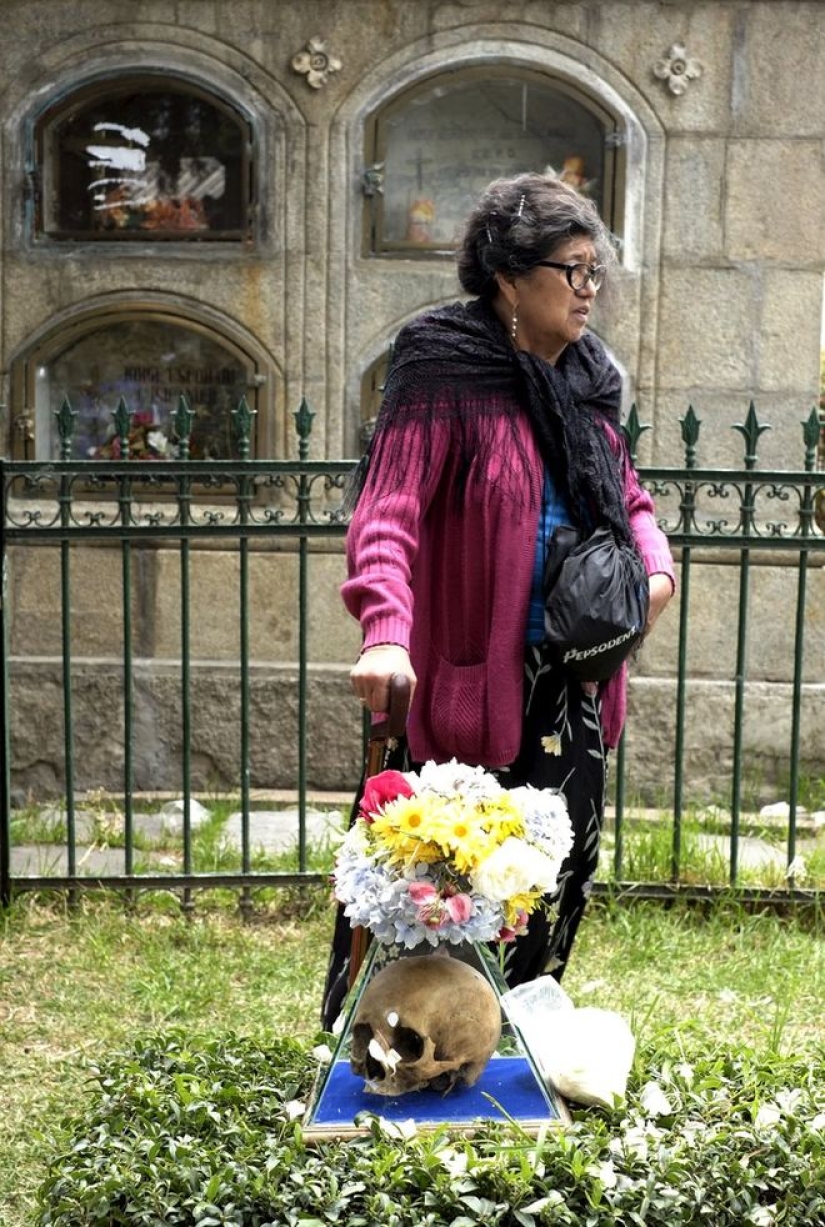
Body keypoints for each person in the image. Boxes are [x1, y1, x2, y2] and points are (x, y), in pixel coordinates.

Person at [321, 172, 675, 1029]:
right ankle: (397, 1047)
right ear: (510, 275)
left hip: (571, 679)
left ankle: (514, 1046)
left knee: (547, 882)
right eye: (573, 269)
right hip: (469, 681)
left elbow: (629, 500)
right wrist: (385, 632)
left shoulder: (585, 378)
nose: (589, 290)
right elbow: (388, 511)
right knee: (438, 890)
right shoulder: (443, 365)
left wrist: (655, 571)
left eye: (596, 271)